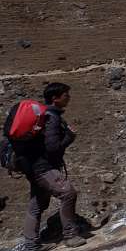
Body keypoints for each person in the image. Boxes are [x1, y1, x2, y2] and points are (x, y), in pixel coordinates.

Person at [10, 83, 84, 250]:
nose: (69, 98)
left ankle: (31, 245)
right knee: (68, 193)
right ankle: (70, 236)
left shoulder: (45, 115)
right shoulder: (51, 117)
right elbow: (53, 148)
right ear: (55, 98)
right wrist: (69, 137)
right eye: (66, 95)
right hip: (43, 167)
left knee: (37, 205)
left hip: (31, 166)